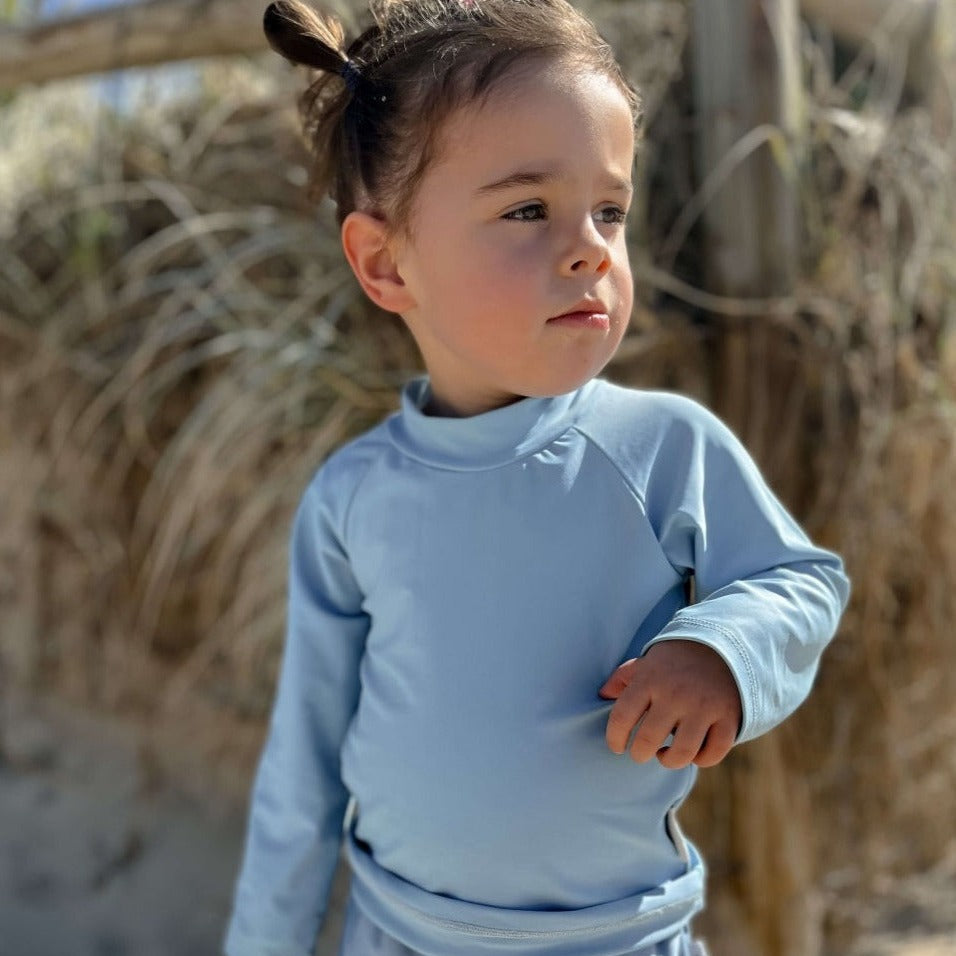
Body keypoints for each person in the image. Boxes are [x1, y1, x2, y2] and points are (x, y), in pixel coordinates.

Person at [224, 1, 850, 954]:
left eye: (611, 210)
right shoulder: (352, 501)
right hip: (402, 936)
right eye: (528, 209)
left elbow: (802, 581)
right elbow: (302, 773)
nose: (592, 247)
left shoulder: (662, 448)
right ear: (386, 262)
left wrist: (720, 647)